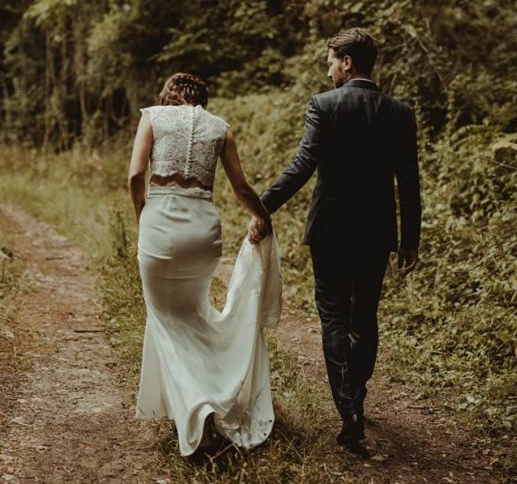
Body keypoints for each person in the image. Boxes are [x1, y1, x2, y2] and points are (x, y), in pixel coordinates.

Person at [251, 27, 422, 454]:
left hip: (330, 230)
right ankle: (355, 398)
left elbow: (303, 164)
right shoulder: (399, 112)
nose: (328, 69)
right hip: (377, 232)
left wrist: (262, 206)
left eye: (330, 60)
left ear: (347, 62)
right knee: (364, 316)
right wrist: (410, 240)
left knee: (333, 317)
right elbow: (409, 184)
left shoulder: (324, 106)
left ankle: (349, 413)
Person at [128, 72, 282, 456]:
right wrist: (263, 218)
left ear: (170, 96)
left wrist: (142, 217)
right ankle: (209, 394)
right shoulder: (220, 129)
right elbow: (242, 189)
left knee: (166, 320)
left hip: (160, 224)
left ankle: (198, 412)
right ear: (202, 100)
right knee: (192, 313)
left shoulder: (152, 116)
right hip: (203, 230)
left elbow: (134, 175)